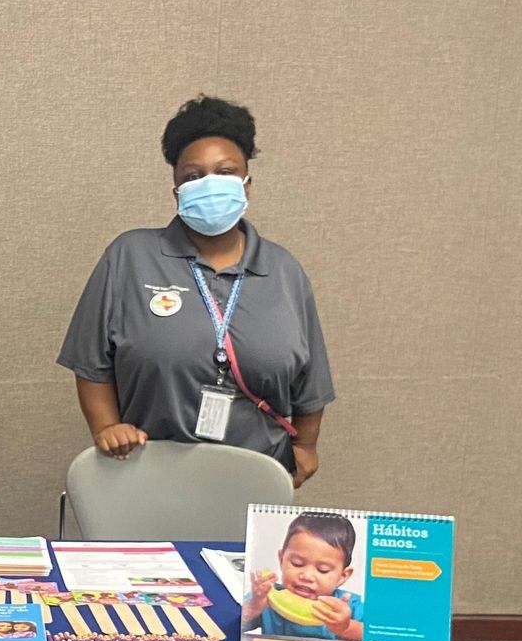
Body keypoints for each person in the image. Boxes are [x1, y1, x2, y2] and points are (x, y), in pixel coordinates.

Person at [58, 94, 334, 486]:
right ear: (176, 190)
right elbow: (90, 363)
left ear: (247, 185)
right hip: (146, 477)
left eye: (225, 172)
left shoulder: (284, 270)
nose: (209, 185)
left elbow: (312, 382)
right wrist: (107, 427)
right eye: (193, 176)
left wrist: (305, 447)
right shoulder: (130, 257)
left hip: (254, 481)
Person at [242, 512, 363, 641]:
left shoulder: (351, 605)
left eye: (323, 570)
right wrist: (254, 607)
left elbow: (381, 639)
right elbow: (230, 627)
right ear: (282, 559)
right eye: (297, 563)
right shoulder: (266, 598)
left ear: (342, 576)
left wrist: (345, 627)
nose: (306, 576)